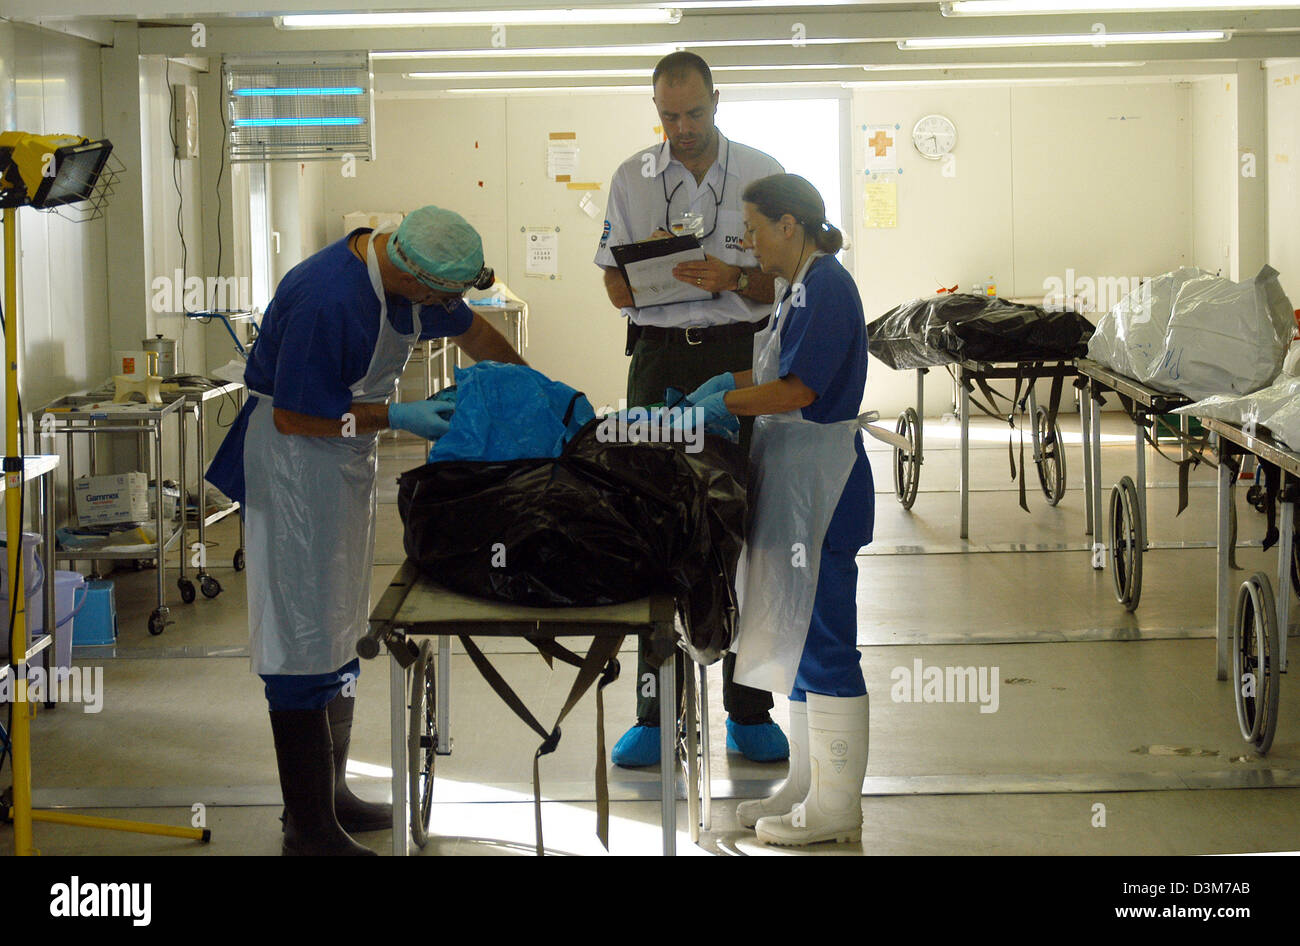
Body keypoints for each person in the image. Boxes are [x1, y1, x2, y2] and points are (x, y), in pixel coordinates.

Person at [207, 206, 525, 855]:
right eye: (438, 296)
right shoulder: (328, 296)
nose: (443, 307)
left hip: (344, 460)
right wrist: (400, 414)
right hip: (294, 462)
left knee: (340, 624)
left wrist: (528, 390)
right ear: (409, 272)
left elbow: (476, 333)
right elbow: (299, 418)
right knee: (300, 639)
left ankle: (335, 793)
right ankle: (307, 826)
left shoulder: (415, 279)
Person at [594, 50, 789, 767]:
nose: (681, 128)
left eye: (694, 113)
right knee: (655, 525)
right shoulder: (630, 179)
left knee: (751, 526)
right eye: (668, 115)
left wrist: (734, 277)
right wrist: (680, 287)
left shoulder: (765, 176)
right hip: (658, 360)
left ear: (718, 101)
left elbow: (791, 285)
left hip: (743, 356)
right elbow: (616, 290)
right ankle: (655, 709)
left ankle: (750, 704)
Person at [685, 173, 873, 846]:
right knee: (795, 635)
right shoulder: (800, 288)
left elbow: (797, 390)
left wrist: (724, 405)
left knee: (825, 643)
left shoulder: (828, 288)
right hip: (797, 482)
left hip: (823, 487)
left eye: (755, 227)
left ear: (789, 226)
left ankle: (837, 809)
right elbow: (771, 372)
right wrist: (725, 383)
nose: (748, 239)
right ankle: (806, 784)